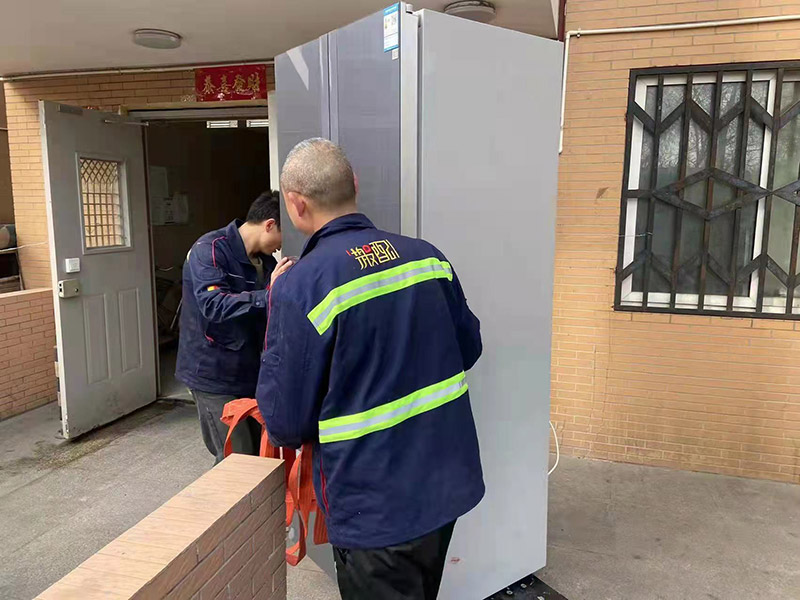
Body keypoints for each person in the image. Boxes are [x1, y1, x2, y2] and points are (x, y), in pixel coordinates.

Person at [256, 139, 484, 599]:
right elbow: (469, 346)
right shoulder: (427, 258)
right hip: (444, 486)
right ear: (354, 185)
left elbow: (284, 423)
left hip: (374, 508)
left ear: (296, 205)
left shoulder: (303, 287)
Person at [176, 191, 291, 464]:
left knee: (259, 453)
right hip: (213, 374)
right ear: (270, 224)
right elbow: (214, 304)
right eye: (283, 236)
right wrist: (268, 294)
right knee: (236, 457)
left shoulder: (266, 263)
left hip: (249, 371)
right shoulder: (210, 250)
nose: (281, 246)